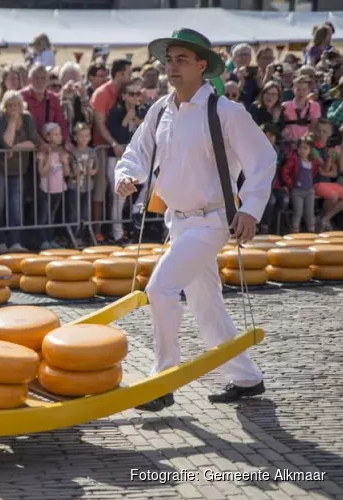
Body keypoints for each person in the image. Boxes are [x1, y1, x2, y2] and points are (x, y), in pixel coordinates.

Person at [114, 29, 276, 411]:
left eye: (181, 59)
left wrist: (251, 209)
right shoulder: (159, 110)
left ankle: (162, 381)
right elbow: (137, 151)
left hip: (212, 221)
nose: (172, 66)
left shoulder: (225, 111)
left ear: (202, 65)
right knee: (206, 303)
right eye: (169, 59)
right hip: (179, 222)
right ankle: (245, 378)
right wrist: (126, 175)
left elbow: (263, 159)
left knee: (161, 288)